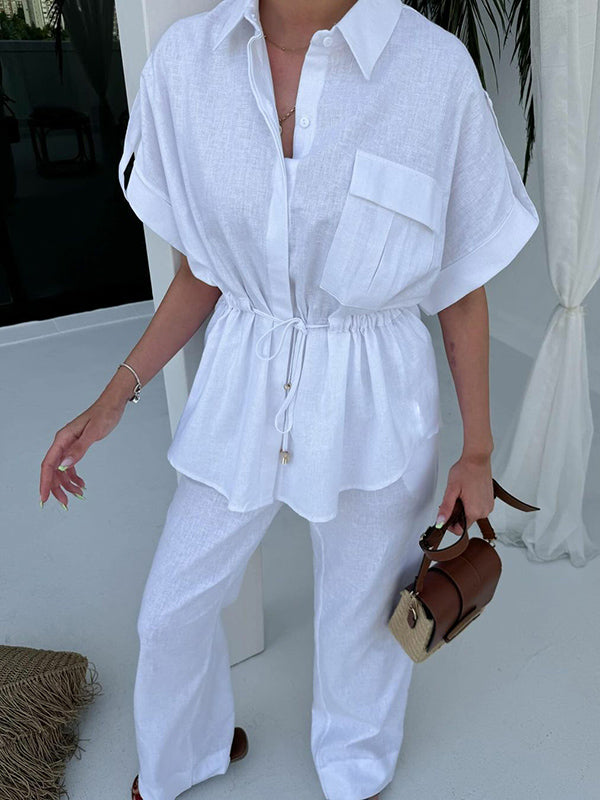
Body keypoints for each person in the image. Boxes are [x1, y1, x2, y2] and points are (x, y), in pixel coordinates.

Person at [39, 0, 540, 798]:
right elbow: (202, 273)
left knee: (362, 616)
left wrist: (477, 450)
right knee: (171, 607)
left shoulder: (434, 73)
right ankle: (184, 755)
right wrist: (114, 396)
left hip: (377, 398)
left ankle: (354, 772)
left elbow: (460, 288)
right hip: (242, 381)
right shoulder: (188, 64)